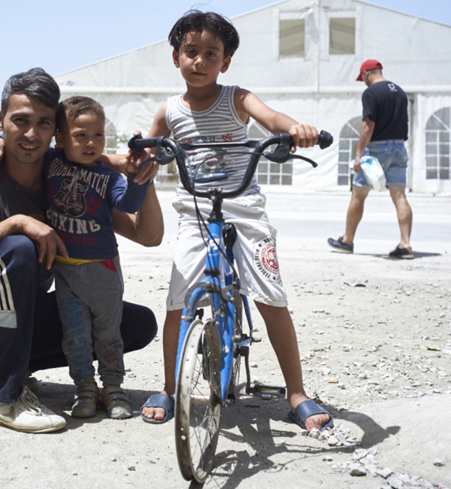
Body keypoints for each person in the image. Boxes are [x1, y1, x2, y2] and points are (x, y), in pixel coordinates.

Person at [0, 68, 162, 434]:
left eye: (43, 123)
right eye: (20, 121)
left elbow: (148, 236)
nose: (31, 134)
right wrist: (14, 223)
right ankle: (2, 397)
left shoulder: (65, 176)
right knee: (18, 247)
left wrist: (143, 177)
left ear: (56, 131)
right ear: (0, 120)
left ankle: (20, 368)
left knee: (137, 324)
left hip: (19, 318)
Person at [134, 11, 333, 432]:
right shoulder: (169, 111)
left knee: (271, 299)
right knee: (178, 305)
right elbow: (147, 149)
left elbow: (273, 119)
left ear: (225, 62)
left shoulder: (238, 98)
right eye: (191, 52)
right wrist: (139, 155)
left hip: (244, 208)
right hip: (195, 212)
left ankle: (296, 391)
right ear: (176, 58)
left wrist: (295, 129)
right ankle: (169, 388)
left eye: (212, 53)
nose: (200, 61)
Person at [47, 96, 151, 420]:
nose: (91, 143)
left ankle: (114, 389)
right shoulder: (49, 162)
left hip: (103, 271)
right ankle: (85, 390)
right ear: (60, 138)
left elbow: (129, 205)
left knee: (108, 334)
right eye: (81, 135)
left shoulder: (108, 176)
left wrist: (138, 178)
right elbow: (20, 153)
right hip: (65, 273)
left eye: (99, 135)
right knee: (74, 337)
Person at [328, 59, 414, 258]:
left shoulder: (371, 93)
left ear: (367, 74)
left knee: (359, 195)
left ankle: (347, 241)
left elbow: (368, 126)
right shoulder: (400, 92)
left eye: (363, 78)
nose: (363, 82)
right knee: (399, 195)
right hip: (399, 148)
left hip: (376, 151)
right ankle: (406, 244)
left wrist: (358, 155)